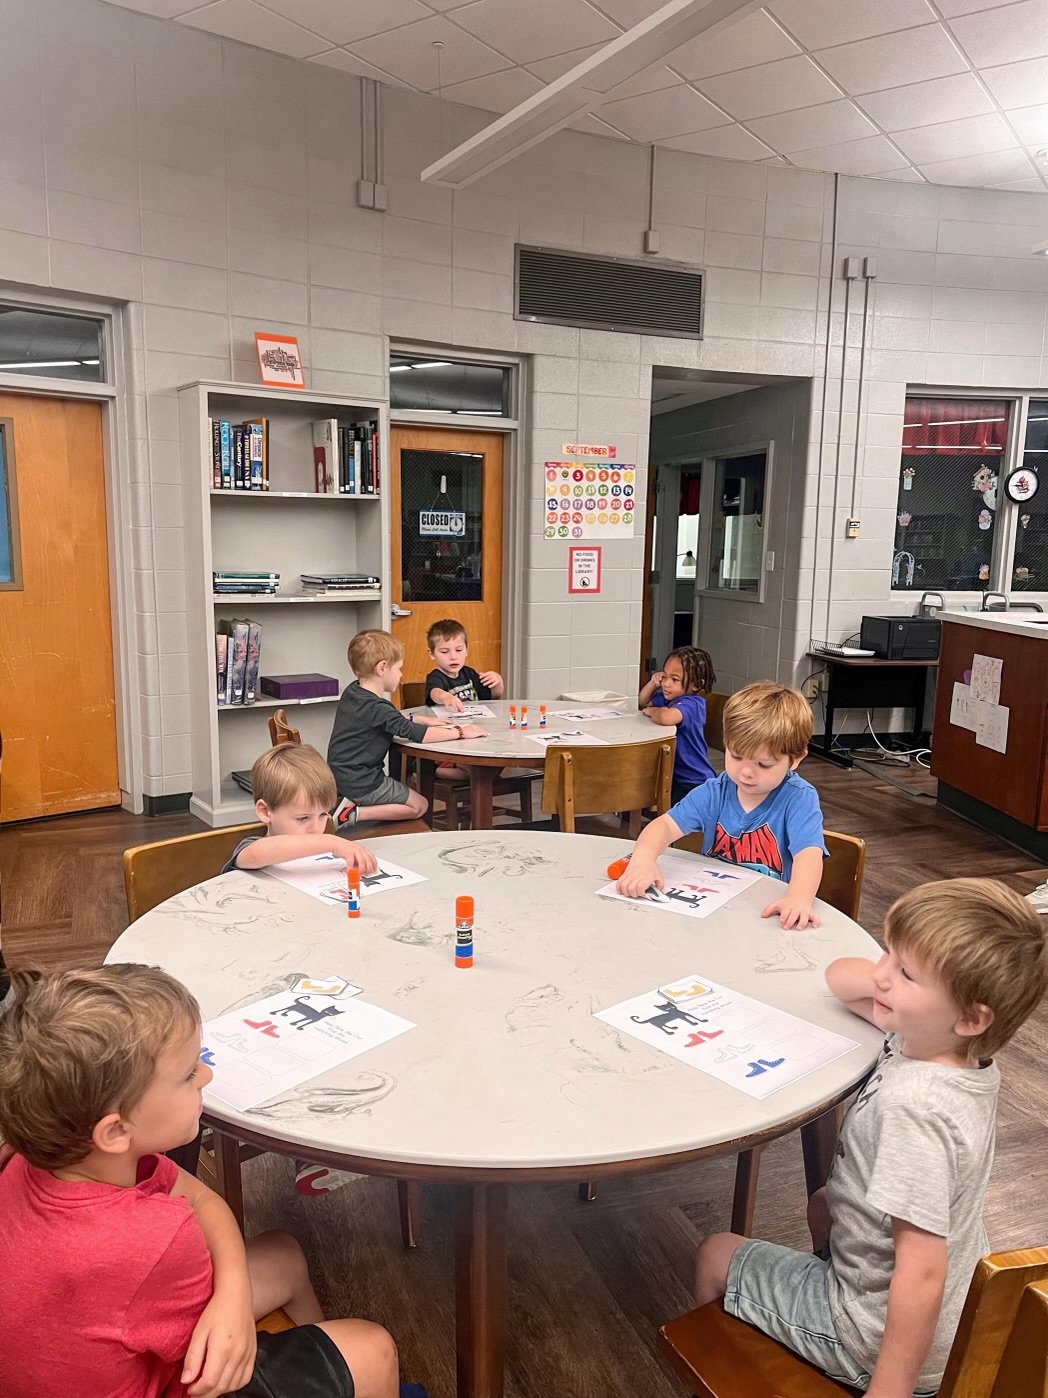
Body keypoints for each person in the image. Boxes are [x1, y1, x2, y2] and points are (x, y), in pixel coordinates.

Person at [693, 878, 1048, 1398]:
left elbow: (921, 1272)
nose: (880, 975)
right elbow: (840, 979)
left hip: (878, 1338)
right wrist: (896, 976)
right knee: (823, 1203)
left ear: (971, 1017)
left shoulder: (915, 1110)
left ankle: (752, 1371)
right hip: (949, 1312)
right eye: (887, 953)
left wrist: (889, 1389)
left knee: (715, 1252)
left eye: (906, 973)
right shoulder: (948, 1051)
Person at [0, 963, 414, 1398]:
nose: (207, 1075)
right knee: (373, 1348)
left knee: (284, 1253)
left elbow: (200, 1199)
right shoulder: (153, 1240)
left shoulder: (46, 1154)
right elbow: (204, 1337)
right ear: (116, 1130)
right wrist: (231, 1307)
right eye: (187, 1075)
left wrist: (232, 1297)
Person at [616, 680, 825, 930]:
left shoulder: (798, 798)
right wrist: (643, 860)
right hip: (713, 914)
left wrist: (799, 898)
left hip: (765, 917)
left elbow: (809, 855)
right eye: (736, 756)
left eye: (764, 764)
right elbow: (664, 826)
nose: (746, 772)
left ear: (796, 759)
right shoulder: (715, 791)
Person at [327, 629, 486, 825]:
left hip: (341, 777)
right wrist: (460, 732)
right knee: (420, 805)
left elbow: (389, 718)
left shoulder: (354, 692)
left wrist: (419, 718)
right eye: (399, 668)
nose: (401, 674)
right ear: (382, 668)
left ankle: (351, 810)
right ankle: (352, 814)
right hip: (363, 782)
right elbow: (419, 735)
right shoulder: (378, 707)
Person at [221, 743, 378, 876]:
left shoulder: (322, 850)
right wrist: (332, 842)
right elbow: (258, 853)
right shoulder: (253, 848)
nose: (316, 828)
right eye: (303, 818)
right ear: (265, 812)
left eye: (323, 814)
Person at [638, 646, 716, 805]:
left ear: (696, 684)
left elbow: (666, 717)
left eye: (674, 679)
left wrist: (652, 711)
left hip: (693, 780)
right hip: (675, 775)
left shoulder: (693, 704)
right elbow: (643, 700)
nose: (666, 684)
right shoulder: (670, 698)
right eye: (664, 676)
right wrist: (653, 683)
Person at [423, 619, 504, 710]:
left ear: (466, 650)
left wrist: (497, 681)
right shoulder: (436, 677)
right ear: (432, 654)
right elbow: (434, 692)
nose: (453, 657)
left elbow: (494, 697)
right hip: (446, 718)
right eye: (444, 651)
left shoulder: (470, 673)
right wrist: (445, 697)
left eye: (459, 650)